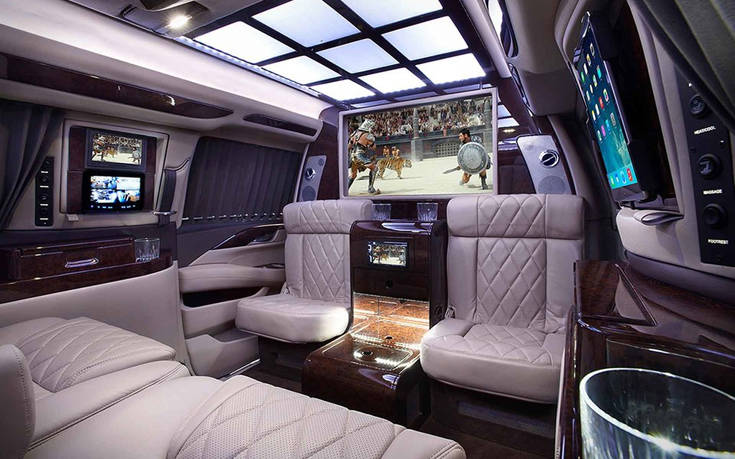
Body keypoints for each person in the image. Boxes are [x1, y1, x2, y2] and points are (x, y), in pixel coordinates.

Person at [348, 119, 379, 194]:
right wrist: (370, 143)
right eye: (372, 127)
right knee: (374, 168)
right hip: (360, 155)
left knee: (353, 175)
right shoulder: (368, 135)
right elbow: (373, 147)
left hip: (353, 156)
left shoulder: (355, 133)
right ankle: (370, 188)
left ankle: (345, 189)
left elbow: (349, 146)